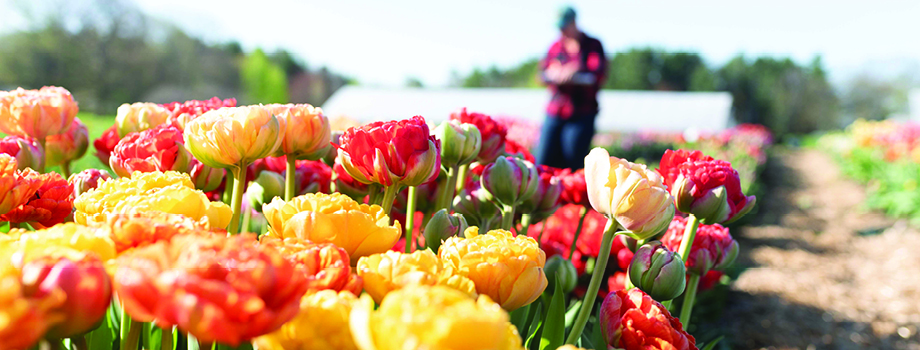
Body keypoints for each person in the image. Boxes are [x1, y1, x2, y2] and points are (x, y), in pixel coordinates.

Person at [536, 6, 607, 170]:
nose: (562, 31)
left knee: (573, 160)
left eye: (564, 26)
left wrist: (575, 69)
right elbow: (541, 74)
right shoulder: (555, 47)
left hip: (581, 113)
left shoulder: (592, 45)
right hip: (556, 111)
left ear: (574, 22)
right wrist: (552, 73)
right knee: (543, 159)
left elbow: (597, 74)